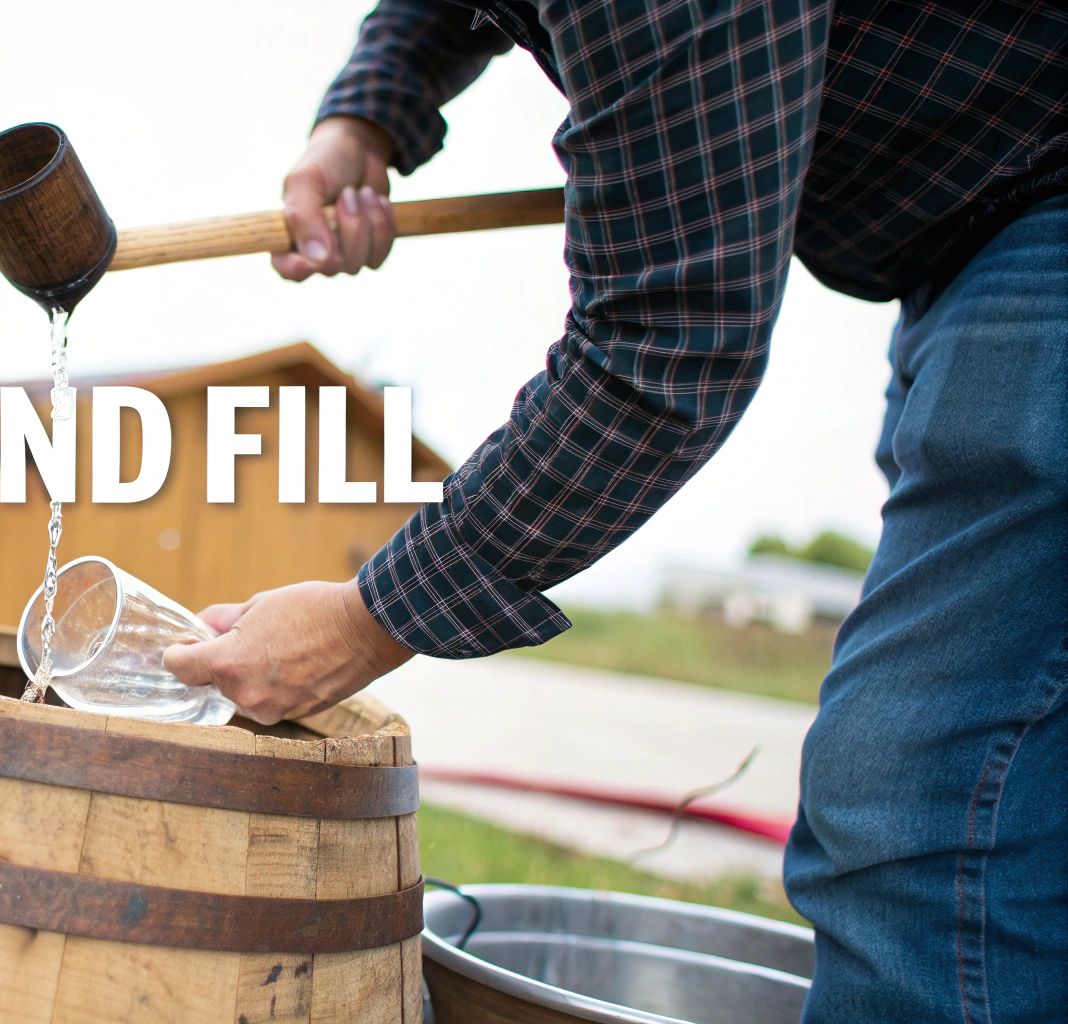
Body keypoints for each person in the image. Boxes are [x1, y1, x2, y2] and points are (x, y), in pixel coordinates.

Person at [160, 2, 1068, 1021]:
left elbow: (662, 351)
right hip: (958, 236)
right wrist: (367, 114)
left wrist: (360, 621)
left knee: (926, 799)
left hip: (1034, 195)